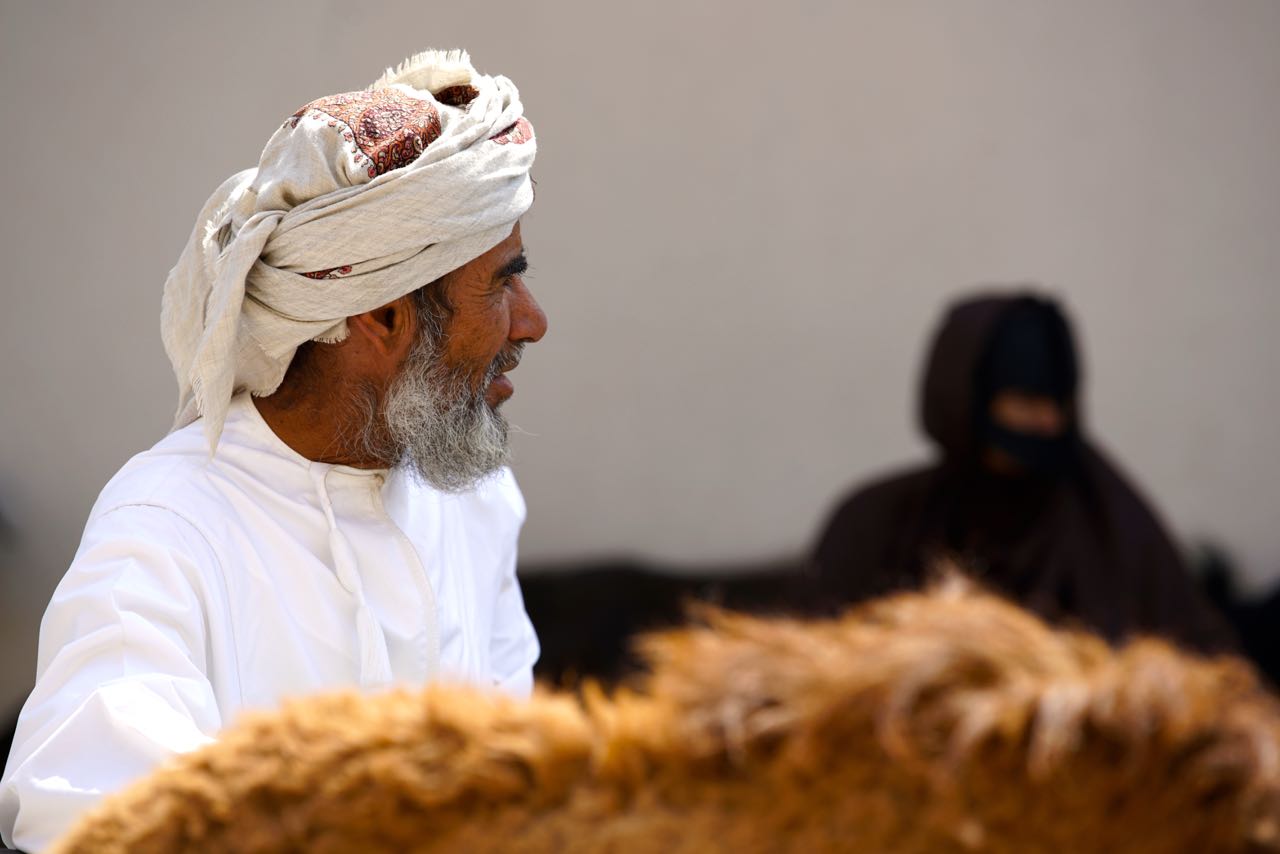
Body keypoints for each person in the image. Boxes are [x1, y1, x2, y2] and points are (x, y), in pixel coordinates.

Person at [1, 49, 546, 852]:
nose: (532, 322)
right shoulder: (165, 533)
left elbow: (517, 796)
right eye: (502, 284)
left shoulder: (472, 500)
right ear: (384, 317)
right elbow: (93, 825)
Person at [812, 292, 1234, 652]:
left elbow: (1204, 665)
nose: (1049, 421)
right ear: (969, 402)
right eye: (1026, 401)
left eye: (1059, 402)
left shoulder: (1110, 528)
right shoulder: (880, 526)